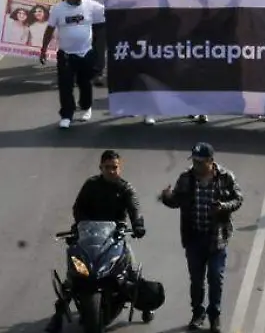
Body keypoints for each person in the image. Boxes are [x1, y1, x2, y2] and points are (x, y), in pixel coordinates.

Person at [47, 150, 150, 332]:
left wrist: (138, 225)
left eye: (115, 167)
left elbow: (135, 208)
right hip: (88, 237)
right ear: (100, 168)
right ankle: (58, 315)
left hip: (115, 238)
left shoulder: (126, 189)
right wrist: (80, 224)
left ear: (120, 167)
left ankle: (146, 307)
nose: (111, 171)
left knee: (132, 272)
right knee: (72, 276)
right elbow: (78, 208)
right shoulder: (91, 185)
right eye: (107, 167)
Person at [159, 143, 244, 333]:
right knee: (196, 280)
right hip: (194, 238)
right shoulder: (186, 178)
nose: (196, 166)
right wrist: (166, 197)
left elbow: (238, 199)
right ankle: (198, 313)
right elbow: (176, 201)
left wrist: (223, 206)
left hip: (216, 239)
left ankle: (215, 316)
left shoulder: (225, 177)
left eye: (200, 162)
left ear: (210, 162)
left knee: (215, 277)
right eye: (194, 161)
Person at [41, 0, 107, 129]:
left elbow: (110, 9)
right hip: (67, 54)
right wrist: (43, 49)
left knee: (85, 84)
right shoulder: (58, 9)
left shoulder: (90, 5)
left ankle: (86, 107)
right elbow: (50, 29)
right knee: (65, 86)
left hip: (86, 53)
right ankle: (66, 115)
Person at [82, 0, 120, 88]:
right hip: (92, 21)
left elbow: (118, 0)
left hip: (108, 20)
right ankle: (94, 72)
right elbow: (84, 4)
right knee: (95, 48)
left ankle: (103, 73)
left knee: (106, 48)